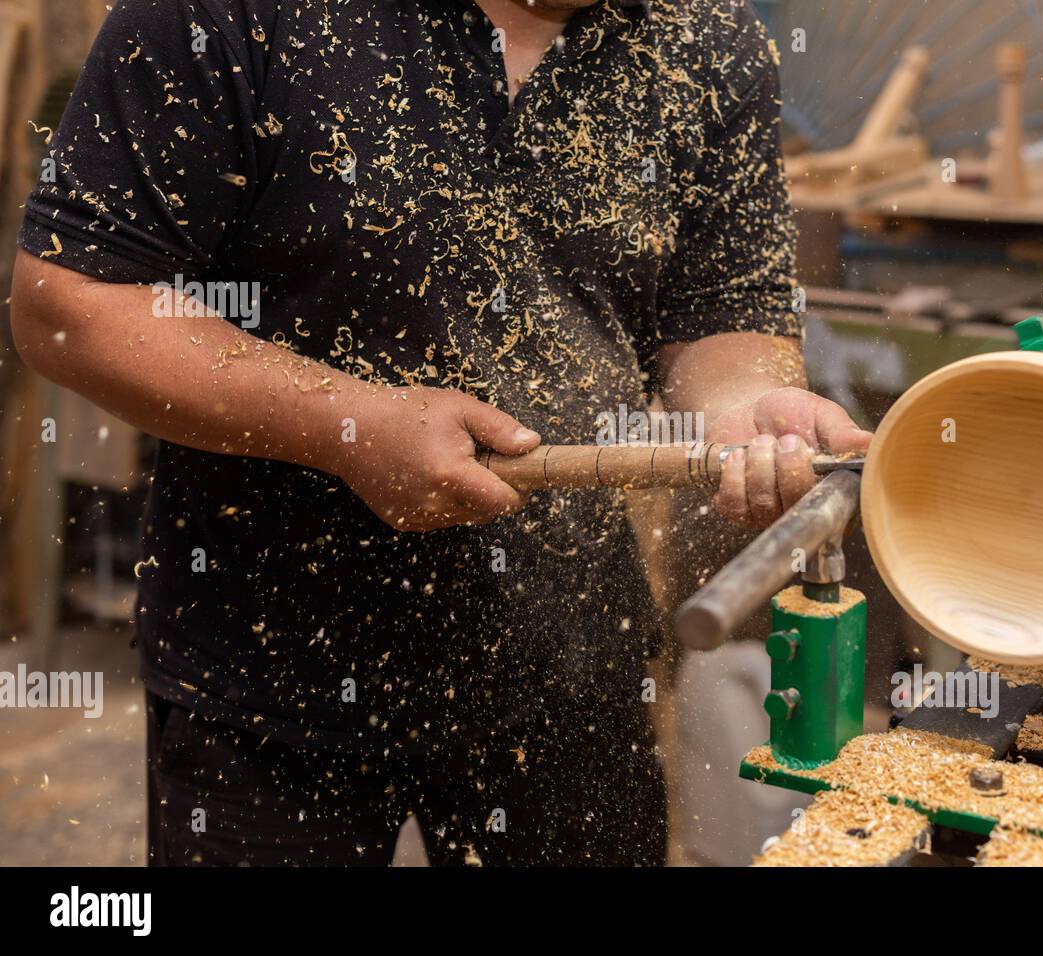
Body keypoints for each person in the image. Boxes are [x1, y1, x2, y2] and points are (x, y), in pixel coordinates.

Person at [10, 0, 872, 865]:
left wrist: (745, 404)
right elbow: (72, 307)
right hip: (267, 666)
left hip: (571, 659)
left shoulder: (708, 37)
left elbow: (722, 315)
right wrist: (348, 426)